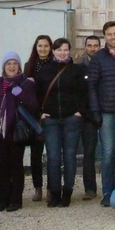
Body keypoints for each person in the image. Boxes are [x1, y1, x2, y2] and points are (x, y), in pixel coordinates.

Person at [0, 52, 38, 212]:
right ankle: (3, 199)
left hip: (15, 132)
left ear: (19, 66)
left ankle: (16, 200)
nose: (12, 67)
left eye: (14, 63)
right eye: (8, 64)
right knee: (4, 167)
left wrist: (22, 95)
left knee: (16, 166)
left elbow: (33, 106)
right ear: (4, 67)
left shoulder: (26, 83)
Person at [36, 38, 89, 208]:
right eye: (59, 50)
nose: (62, 53)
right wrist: (39, 113)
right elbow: (36, 94)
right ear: (53, 51)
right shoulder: (44, 70)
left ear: (70, 51)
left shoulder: (77, 70)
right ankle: (55, 192)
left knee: (69, 156)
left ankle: (67, 191)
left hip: (71, 119)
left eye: (66, 50)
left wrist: (80, 111)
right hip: (50, 119)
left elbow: (84, 92)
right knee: (53, 157)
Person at [87, 21, 115, 207]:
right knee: (109, 153)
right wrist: (95, 111)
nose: (113, 37)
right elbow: (92, 87)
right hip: (107, 112)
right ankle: (108, 192)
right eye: (109, 34)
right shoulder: (98, 58)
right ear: (105, 37)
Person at [23, 35, 53, 203]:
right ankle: (38, 187)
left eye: (46, 46)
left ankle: (50, 187)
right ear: (36, 47)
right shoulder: (29, 66)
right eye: (40, 46)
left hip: (50, 113)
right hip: (34, 115)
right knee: (36, 154)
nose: (43, 49)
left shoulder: (54, 65)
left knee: (52, 154)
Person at [78, 35, 101, 200]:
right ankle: (90, 189)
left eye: (95, 45)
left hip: (105, 110)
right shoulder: (79, 67)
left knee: (110, 151)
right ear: (85, 47)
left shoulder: (104, 62)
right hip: (87, 115)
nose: (92, 48)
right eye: (90, 45)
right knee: (89, 152)